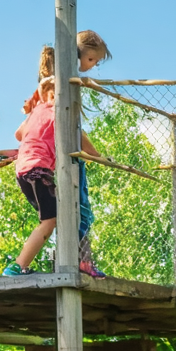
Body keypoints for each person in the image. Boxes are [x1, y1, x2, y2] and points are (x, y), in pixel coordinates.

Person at [11, 32, 113, 277]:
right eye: (92, 59)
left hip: (27, 169)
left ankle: (68, 260)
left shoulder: (37, 111)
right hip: (39, 169)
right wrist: (99, 156)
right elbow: (78, 134)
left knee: (59, 215)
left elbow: (19, 134)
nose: (93, 65)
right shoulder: (58, 106)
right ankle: (22, 266)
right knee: (68, 215)